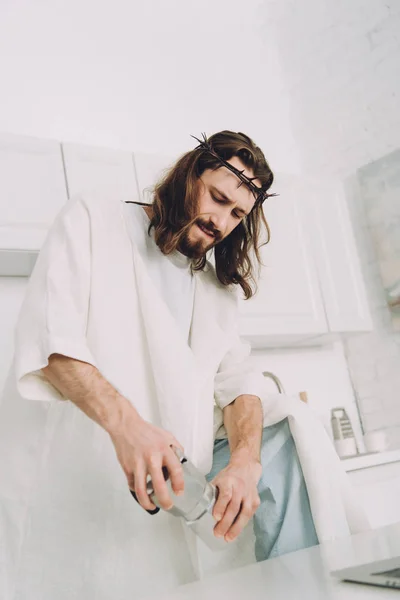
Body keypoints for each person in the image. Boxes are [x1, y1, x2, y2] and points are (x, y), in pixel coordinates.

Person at [1, 130, 365, 600]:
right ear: (188, 173)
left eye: (237, 214)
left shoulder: (217, 291)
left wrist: (245, 461)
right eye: (217, 198)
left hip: (154, 521)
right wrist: (129, 428)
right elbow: (53, 347)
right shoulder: (94, 220)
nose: (222, 221)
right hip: (67, 495)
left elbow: (240, 384)